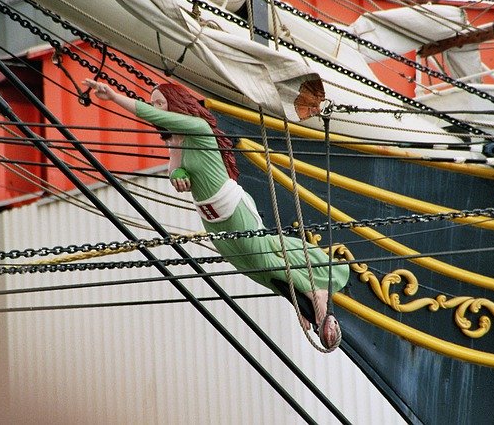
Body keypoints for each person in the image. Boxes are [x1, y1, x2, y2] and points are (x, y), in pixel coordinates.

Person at [82, 79, 349, 348]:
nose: (156, 110)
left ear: (176, 104)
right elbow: (174, 169)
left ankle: (315, 292)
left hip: (231, 208)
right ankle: (299, 301)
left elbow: (151, 116)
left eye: (160, 103)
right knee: (248, 266)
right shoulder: (177, 140)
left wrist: (115, 97)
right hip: (210, 218)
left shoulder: (198, 127)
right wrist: (179, 175)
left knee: (262, 258)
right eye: (154, 104)